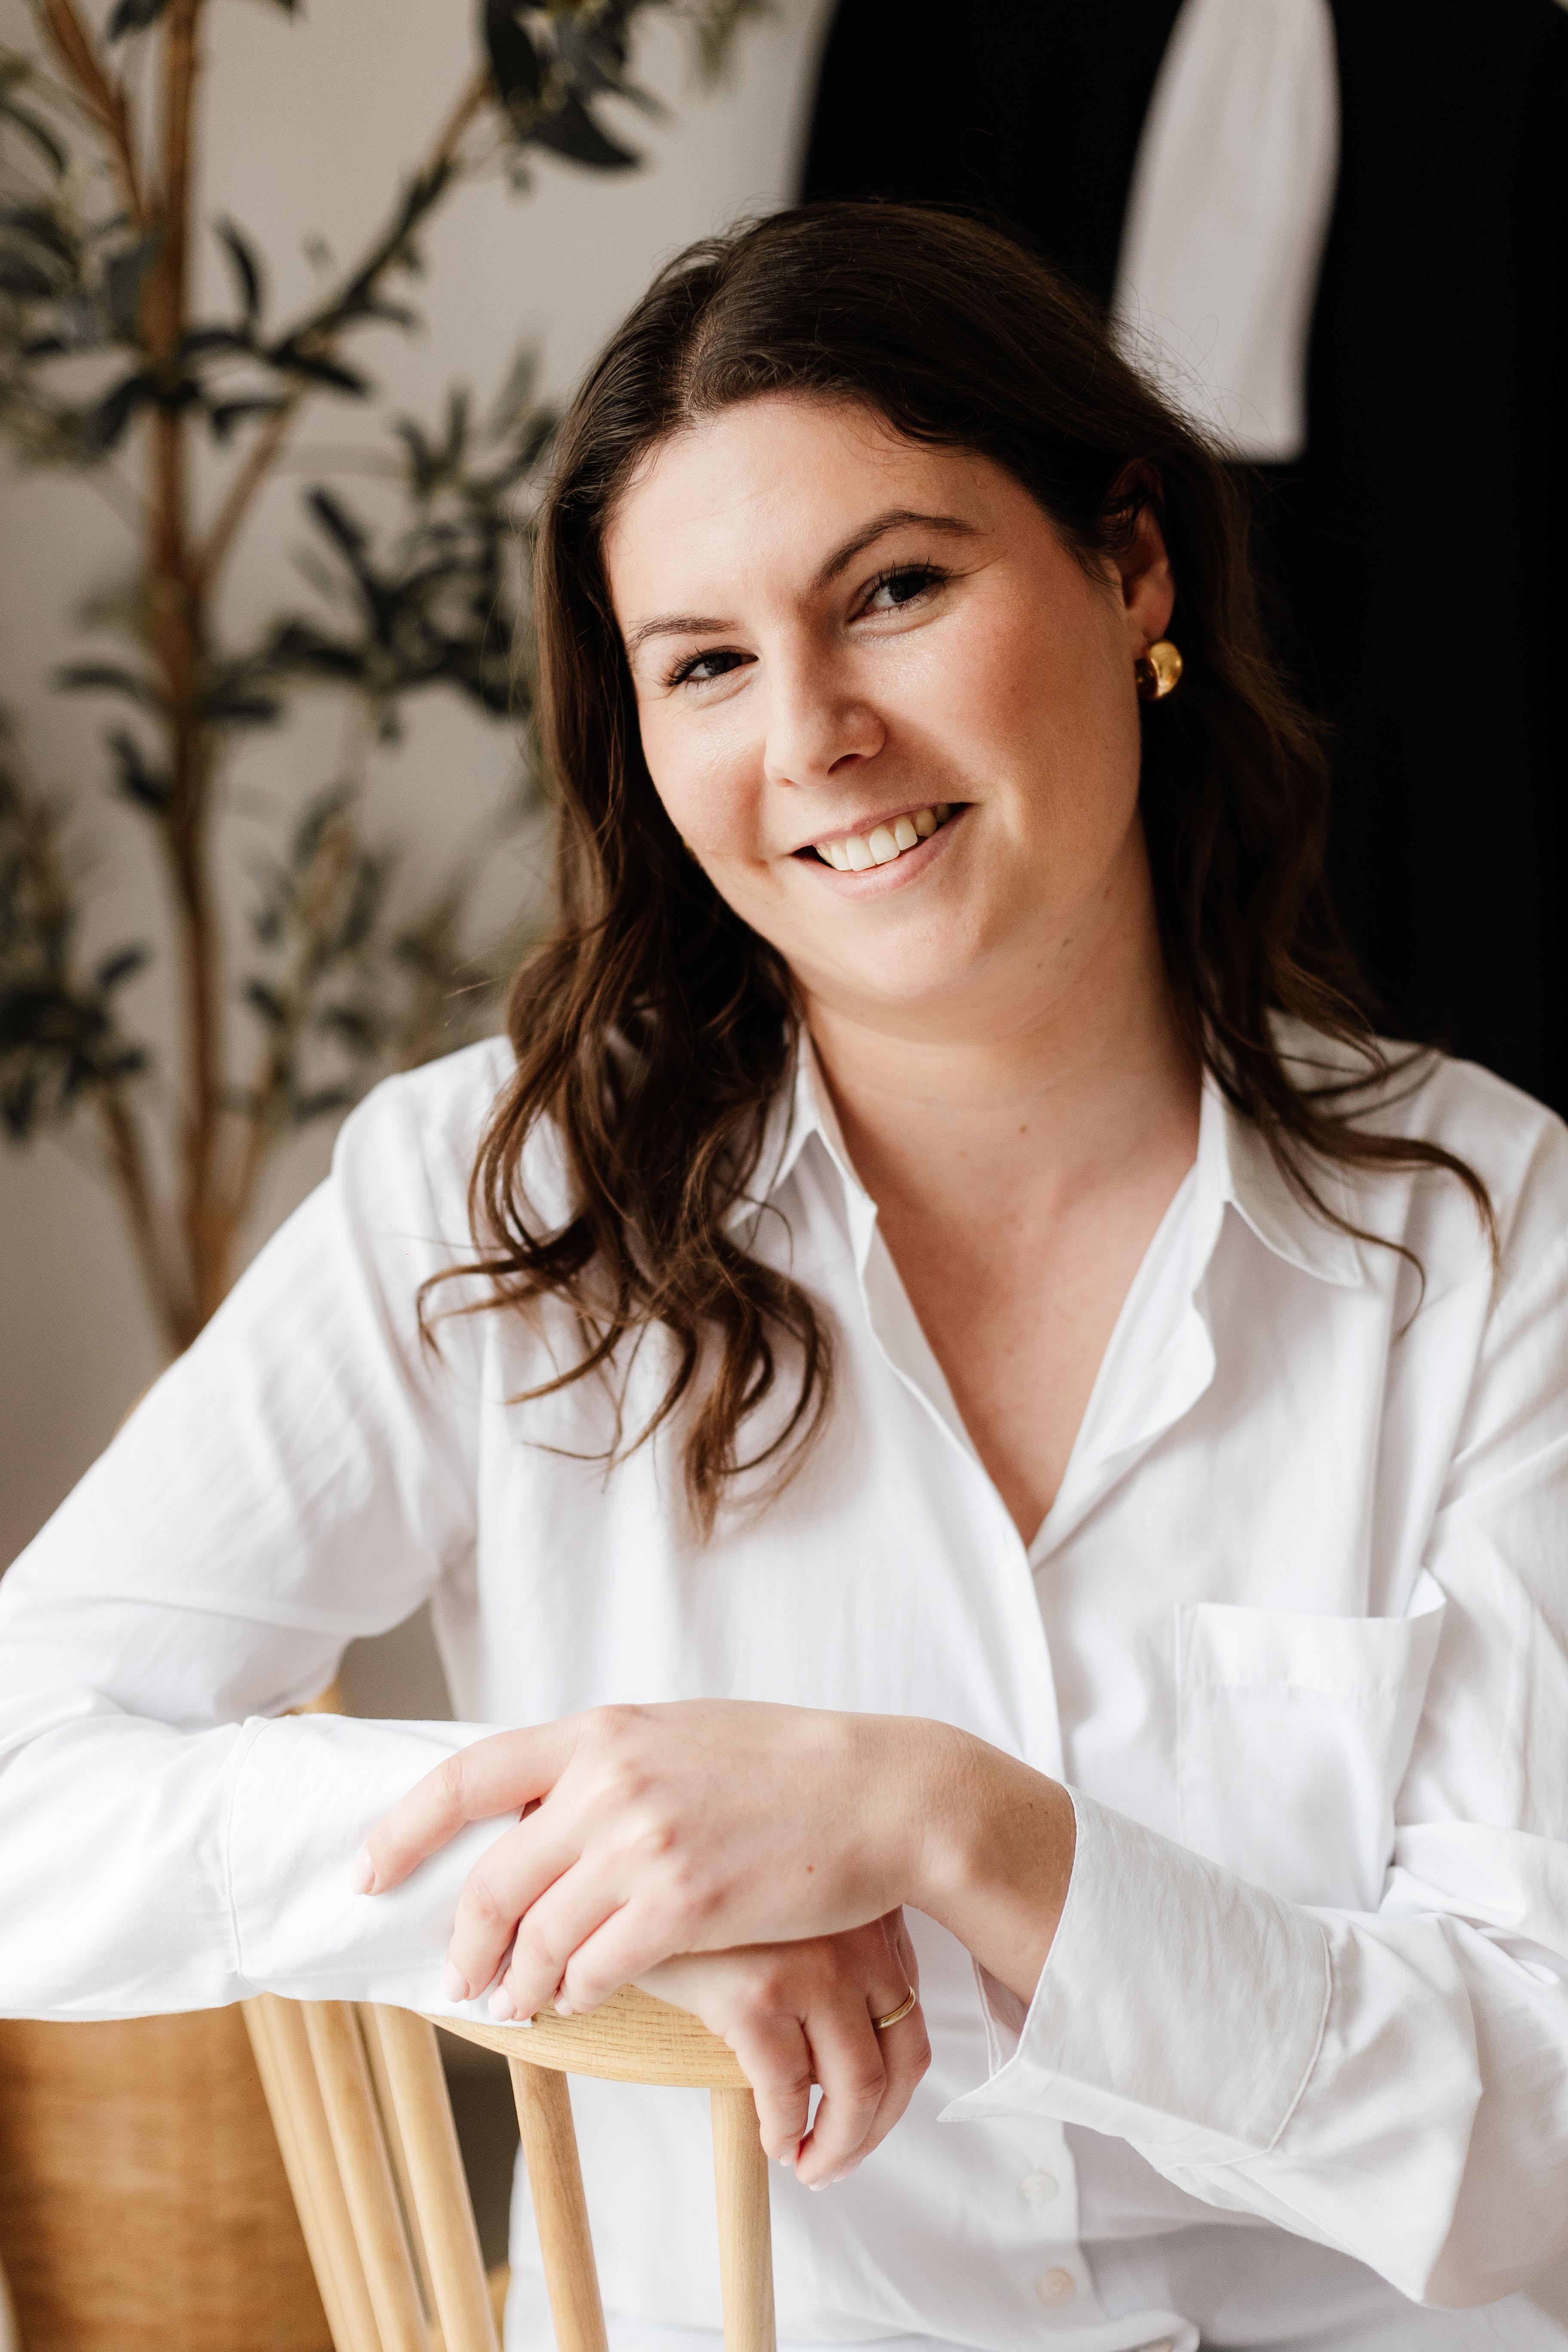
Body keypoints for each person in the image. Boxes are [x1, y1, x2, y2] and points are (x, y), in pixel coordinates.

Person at [3, 204, 1568, 2352]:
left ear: (1134, 572)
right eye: (709, 662)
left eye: (897, 591)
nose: (814, 731)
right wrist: (602, 1877)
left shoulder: (1488, 1233)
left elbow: (1542, 2126)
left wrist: (946, 1826)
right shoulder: (485, 1203)